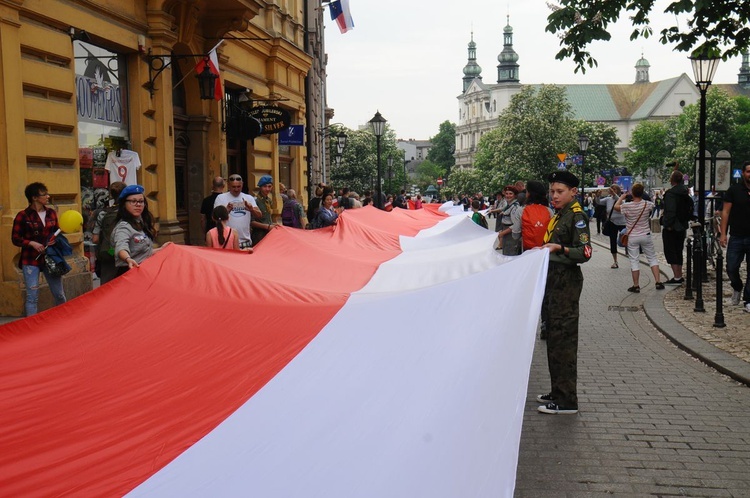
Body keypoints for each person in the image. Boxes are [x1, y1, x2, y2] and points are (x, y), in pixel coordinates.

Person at [538, 171, 592, 415]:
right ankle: (557, 390)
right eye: (552, 191)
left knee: (564, 340)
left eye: (560, 192)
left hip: (566, 283)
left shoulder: (577, 217)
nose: (554, 196)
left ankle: (567, 399)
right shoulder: (560, 215)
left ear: (573, 192)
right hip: (553, 281)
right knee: (554, 338)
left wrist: (560, 247)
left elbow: (586, 252)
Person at [11, 182, 67, 316]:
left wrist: (55, 239)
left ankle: (64, 319)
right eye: (44, 194)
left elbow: (57, 231)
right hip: (30, 259)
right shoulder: (23, 216)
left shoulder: (51, 213)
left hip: (50, 257)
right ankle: (32, 327)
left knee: (59, 294)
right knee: (32, 295)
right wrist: (31, 243)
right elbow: (15, 238)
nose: (48, 196)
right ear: (34, 197)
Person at [112, 184, 171, 276]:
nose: (138, 205)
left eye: (141, 201)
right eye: (133, 201)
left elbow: (143, 254)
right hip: (129, 272)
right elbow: (121, 247)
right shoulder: (123, 227)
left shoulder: (141, 223)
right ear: (124, 204)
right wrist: (128, 259)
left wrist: (161, 249)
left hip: (144, 271)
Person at [615, 183, 663, 293]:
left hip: (632, 236)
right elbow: (652, 208)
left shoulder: (627, 206)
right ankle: (658, 281)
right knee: (652, 258)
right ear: (642, 193)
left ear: (632, 193)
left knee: (634, 260)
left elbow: (616, 207)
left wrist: (621, 197)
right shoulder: (648, 204)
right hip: (645, 235)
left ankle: (636, 285)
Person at [719, 160, 750, 312]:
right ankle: (737, 286)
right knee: (731, 267)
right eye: (748, 171)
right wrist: (723, 233)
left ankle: (748, 300)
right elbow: (725, 212)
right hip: (737, 235)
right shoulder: (734, 190)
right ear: (743, 173)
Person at [214, 174, 261, 250]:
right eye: (233, 187)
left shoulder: (248, 198)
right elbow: (215, 218)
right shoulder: (220, 198)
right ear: (228, 185)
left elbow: (259, 215)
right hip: (227, 241)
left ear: (242, 185)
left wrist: (251, 209)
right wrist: (226, 211)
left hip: (245, 241)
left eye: (238, 187)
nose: (236, 189)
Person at [92, 181, 127, 284]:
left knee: (107, 287)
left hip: (108, 253)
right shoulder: (128, 213)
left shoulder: (103, 213)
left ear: (111, 195)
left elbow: (95, 239)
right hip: (126, 254)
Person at [661, 170, 692, 285]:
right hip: (682, 226)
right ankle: (679, 275)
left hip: (672, 227)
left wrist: (667, 224)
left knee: (670, 251)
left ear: (672, 180)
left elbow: (670, 211)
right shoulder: (684, 192)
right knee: (679, 250)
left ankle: (677, 276)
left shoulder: (671, 194)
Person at [597, 184, 627, 268]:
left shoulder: (621, 198)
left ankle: (630, 253)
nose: (613, 191)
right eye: (612, 189)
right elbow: (598, 202)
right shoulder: (608, 199)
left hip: (622, 222)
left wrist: (615, 194)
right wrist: (598, 196)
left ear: (617, 190)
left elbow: (621, 202)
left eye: (614, 189)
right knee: (612, 241)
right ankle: (615, 261)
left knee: (625, 239)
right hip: (612, 222)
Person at [496, 185, 522, 256]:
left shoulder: (515, 207)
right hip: (506, 234)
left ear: (515, 195)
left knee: (510, 255)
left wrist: (503, 233)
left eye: (510, 194)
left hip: (511, 236)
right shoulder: (508, 206)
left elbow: (516, 225)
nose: (508, 196)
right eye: (506, 193)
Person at [251, 174, 277, 246]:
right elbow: (251, 222)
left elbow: (268, 218)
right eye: (265, 186)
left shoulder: (269, 200)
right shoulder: (255, 201)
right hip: (259, 236)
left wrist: (274, 225)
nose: (267, 189)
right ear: (260, 187)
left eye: (269, 186)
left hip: (269, 235)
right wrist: (267, 226)